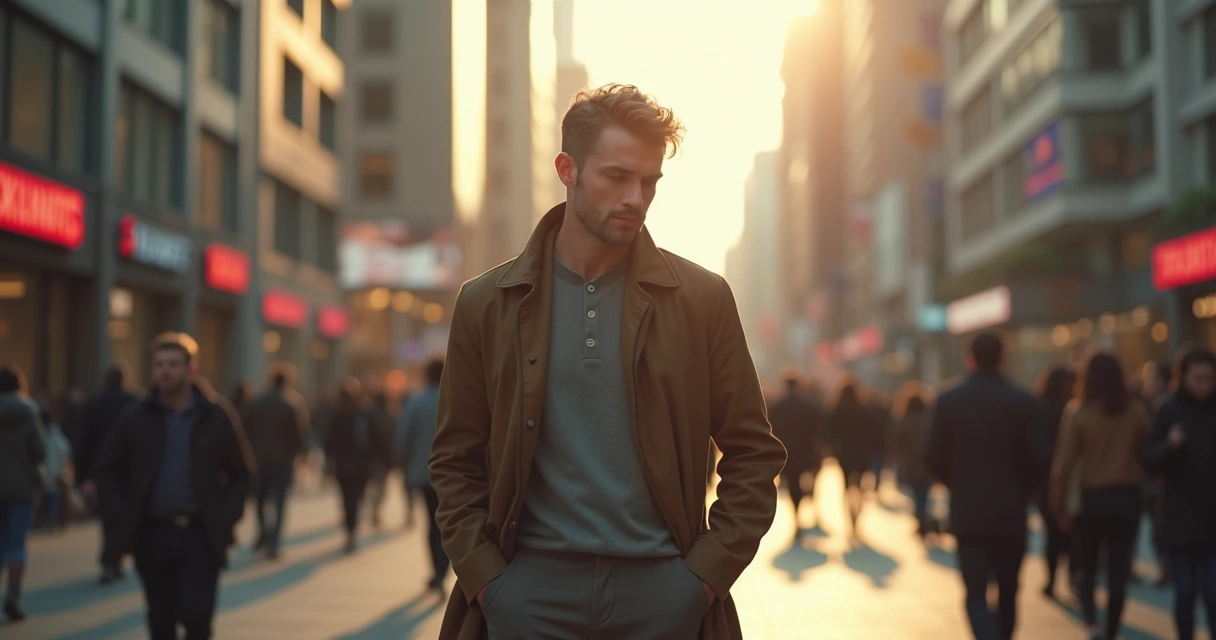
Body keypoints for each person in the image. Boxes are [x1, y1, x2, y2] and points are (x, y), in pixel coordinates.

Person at [428, 83, 786, 640]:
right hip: (528, 594)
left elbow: (754, 452)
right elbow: (454, 459)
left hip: (662, 594)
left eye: (649, 182)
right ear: (567, 169)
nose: (636, 198)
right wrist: (488, 583)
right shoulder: (486, 302)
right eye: (617, 177)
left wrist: (702, 580)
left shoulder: (699, 298)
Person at [92, 332, 255, 640]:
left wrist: (225, 516)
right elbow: (107, 469)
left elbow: (242, 472)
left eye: (173, 364)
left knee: (197, 616)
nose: (164, 371)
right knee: (160, 619)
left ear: (191, 369)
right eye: (158, 364)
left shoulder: (215, 415)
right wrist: (119, 514)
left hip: (201, 534)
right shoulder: (136, 416)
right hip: (152, 534)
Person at [924, 333, 1041, 640]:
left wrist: (956, 483)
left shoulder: (949, 400)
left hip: (969, 512)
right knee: (1008, 591)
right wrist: (1021, 489)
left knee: (975, 592)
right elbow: (1040, 459)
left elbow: (932, 455)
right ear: (1004, 357)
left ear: (969, 357)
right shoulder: (1023, 400)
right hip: (1010, 512)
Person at [1050, 350, 1149, 640]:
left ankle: (1093, 622)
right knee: (1119, 571)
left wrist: (1059, 508)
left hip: (1090, 500)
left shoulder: (1078, 413)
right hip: (1127, 498)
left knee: (1087, 567)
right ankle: (1113, 629)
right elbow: (1147, 453)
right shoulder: (1136, 413)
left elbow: (1063, 465)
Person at [1144, 347, 1216, 640]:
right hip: (1178, 520)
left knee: (1213, 593)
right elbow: (1148, 461)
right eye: (1197, 378)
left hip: (1212, 519)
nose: (1204, 385)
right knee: (1185, 592)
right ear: (1182, 377)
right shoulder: (1168, 408)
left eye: (1209, 378)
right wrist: (1169, 446)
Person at [76, 365, 139, 584]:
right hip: (130, 471)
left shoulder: (94, 403)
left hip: (100, 470)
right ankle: (114, 559)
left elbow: (83, 443)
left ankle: (111, 560)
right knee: (121, 515)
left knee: (108, 517)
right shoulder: (134, 402)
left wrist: (82, 476)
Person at [242, 363, 310, 560]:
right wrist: (303, 454)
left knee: (259, 499)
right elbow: (299, 434)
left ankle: (264, 529)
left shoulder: (257, 402)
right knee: (280, 501)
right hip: (283, 460)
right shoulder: (292, 404)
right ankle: (274, 541)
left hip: (259, 458)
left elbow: (244, 429)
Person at [398, 357, 449, 594]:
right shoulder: (455, 398)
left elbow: (403, 438)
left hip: (423, 472)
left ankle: (437, 572)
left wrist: (401, 464)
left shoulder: (416, 402)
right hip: (452, 474)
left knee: (431, 522)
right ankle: (445, 568)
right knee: (450, 522)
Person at [0, 365, 46, 622]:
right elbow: (39, 451)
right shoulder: (28, 411)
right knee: (16, 545)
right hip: (21, 487)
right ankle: (12, 597)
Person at [323, 378, 389, 554]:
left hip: (345, 465)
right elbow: (378, 439)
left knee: (347, 498)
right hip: (360, 465)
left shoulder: (338, 415)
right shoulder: (364, 415)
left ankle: (350, 527)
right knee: (356, 497)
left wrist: (327, 463)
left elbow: (329, 442)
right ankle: (352, 526)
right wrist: (383, 459)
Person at [1031, 365, 1077, 599]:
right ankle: (1073, 578)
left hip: (1045, 481)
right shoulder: (1073, 410)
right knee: (1072, 533)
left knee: (1052, 533)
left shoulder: (1038, 410)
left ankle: (1051, 581)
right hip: (1071, 481)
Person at [767, 368, 823, 542]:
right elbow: (818, 431)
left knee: (792, 484)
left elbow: (770, 430)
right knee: (804, 481)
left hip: (786, 453)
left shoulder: (776, 407)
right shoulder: (809, 407)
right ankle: (805, 498)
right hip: (805, 452)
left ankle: (796, 514)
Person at [827, 376, 880, 541]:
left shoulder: (837, 409)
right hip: (861, 453)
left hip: (844, 453)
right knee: (860, 486)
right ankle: (857, 518)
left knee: (846, 486)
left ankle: (851, 520)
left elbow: (828, 431)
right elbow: (874, 433)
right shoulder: (864, 410)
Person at [891, 381, 933, 539]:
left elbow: (897, 443)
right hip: (926, 463)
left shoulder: (904, 420)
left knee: (917, 493)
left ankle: (920, 518)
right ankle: (922, 518)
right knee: (924, 493)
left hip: (910, 463)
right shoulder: (928, 420)